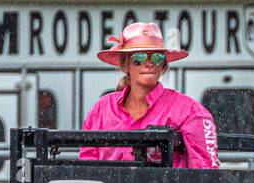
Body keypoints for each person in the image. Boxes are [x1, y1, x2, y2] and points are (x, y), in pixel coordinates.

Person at [79, 21, 219, 169]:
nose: (149, 63)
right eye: (139, 58)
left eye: (157, 58)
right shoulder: (102, 109)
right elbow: (87, 169)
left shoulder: (191, 111)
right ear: (124, 64)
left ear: (163, 66)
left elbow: (206, 172)